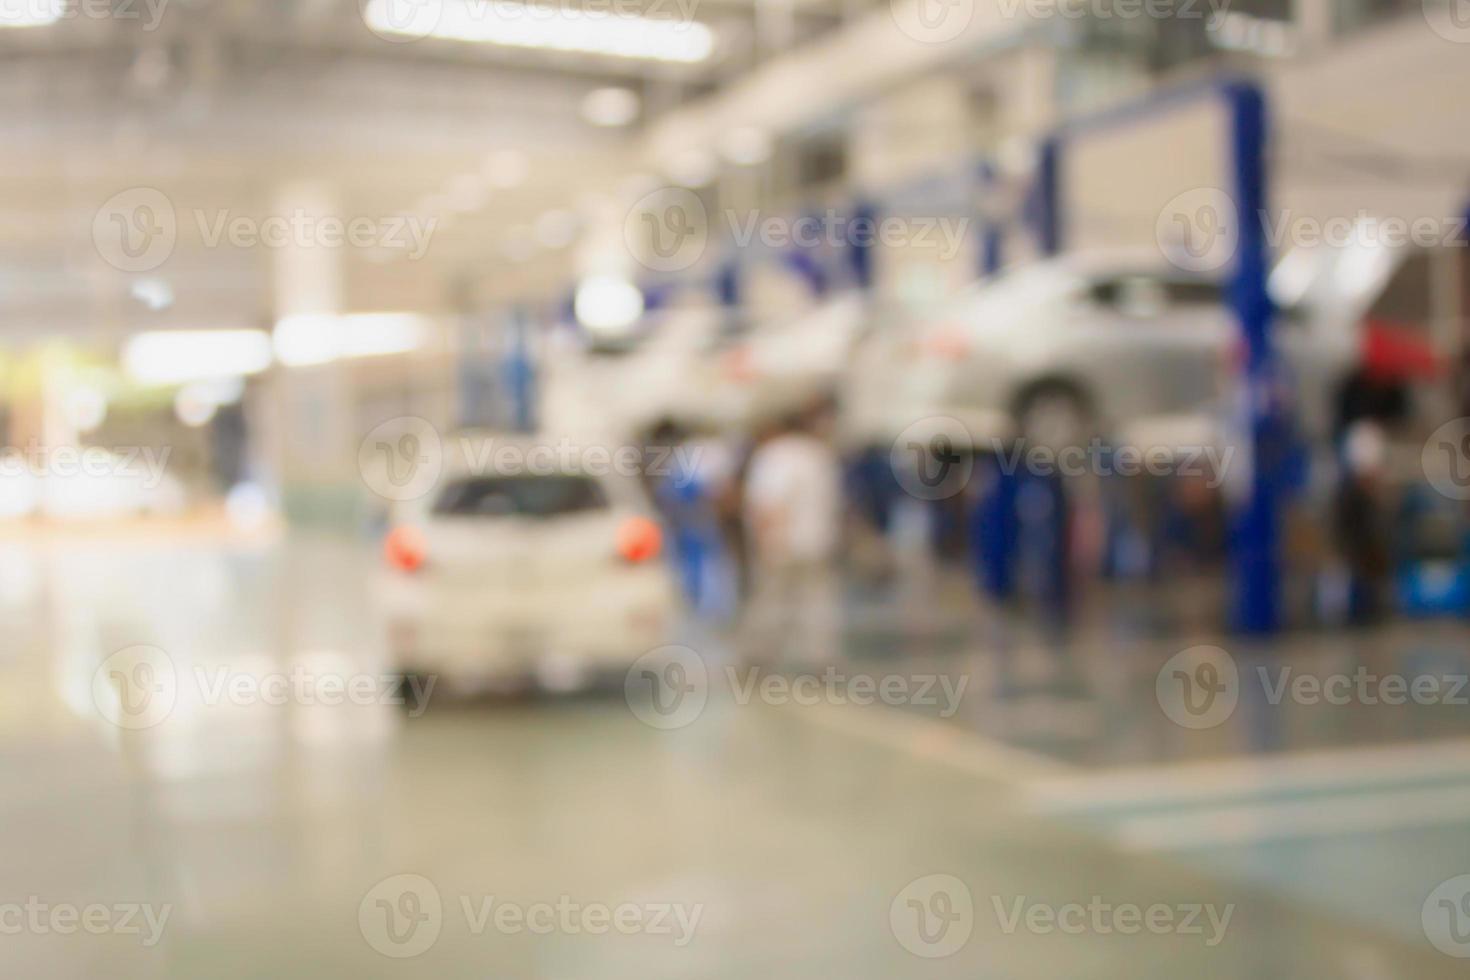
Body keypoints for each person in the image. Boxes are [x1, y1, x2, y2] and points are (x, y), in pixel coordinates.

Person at [740, 404, 843, 663]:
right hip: (818, 539)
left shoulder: (774, 455)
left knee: (771, 601)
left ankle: (759, 656)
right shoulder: (818, 453)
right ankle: (820, 658)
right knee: (816, 602)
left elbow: (770, 502)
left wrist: (766, 540)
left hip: (783, 541)